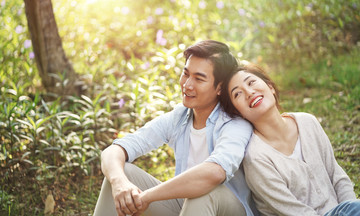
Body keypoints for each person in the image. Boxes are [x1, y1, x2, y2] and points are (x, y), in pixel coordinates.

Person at [93, 40, 258, 216]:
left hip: (227, 210)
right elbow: (115, 150)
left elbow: (214, 173)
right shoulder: (180, 116)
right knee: (122, 171)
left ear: (220, 87)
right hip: (187, 209)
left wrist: (147, 197)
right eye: (186, 74)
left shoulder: (235, 123)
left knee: (204, 190)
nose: (187, 85)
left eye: (199, 79)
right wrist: (120, 183)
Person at [220, 64, 360, 216]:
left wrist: (352, 206)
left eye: (251, 82)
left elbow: (337, 176)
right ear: (237, 112)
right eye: (237, 94)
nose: (249, 92)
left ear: (270, 87)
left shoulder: (308, 122)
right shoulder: (256, 158)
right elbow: (293, 212)